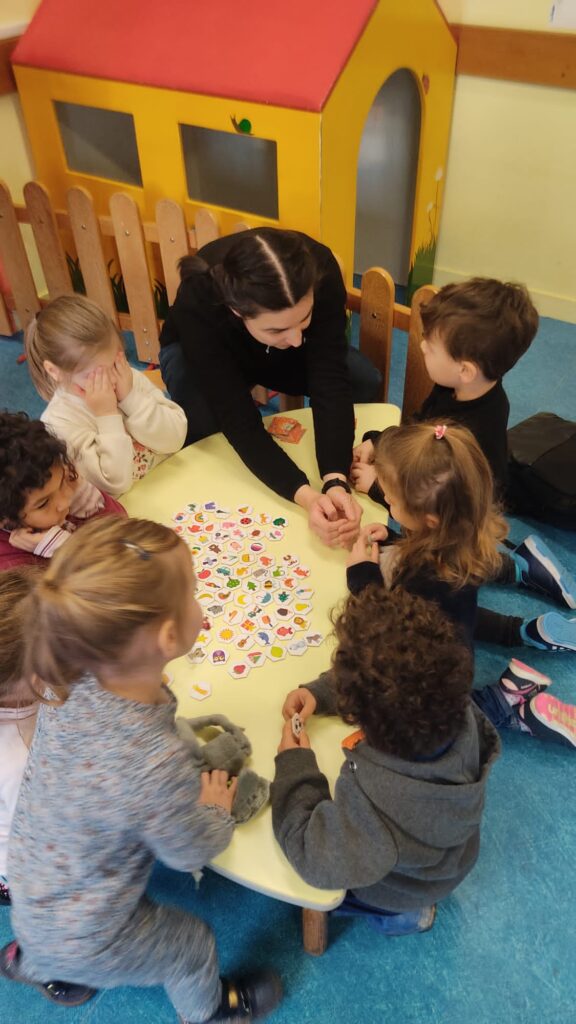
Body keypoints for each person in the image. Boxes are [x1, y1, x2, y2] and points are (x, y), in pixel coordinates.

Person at [1, 516, 282, 1023]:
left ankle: (36, 960)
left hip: (30, 887)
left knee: (57, 931)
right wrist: (216, 811)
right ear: (170, 635)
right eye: (195, 591)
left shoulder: (71, 685)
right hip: (88, 930)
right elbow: (187, 850)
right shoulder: (155, 762)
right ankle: (213, 1011)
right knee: (191, 944)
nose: (202, 601)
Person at [351, 278, 576, 650]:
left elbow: (420, 497)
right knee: (461, 575)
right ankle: (523, 569)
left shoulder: (469, 429)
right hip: (456, 513)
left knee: (447, 604)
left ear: (465, 368)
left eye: (430, 344)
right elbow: (421, 426)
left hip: (463, 518)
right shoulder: (456, 388)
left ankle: (523, 627)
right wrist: (381, 443)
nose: (420, 345)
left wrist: (378, 484)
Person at [271, 587, 501, 934]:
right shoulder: (453, 706)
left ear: (361, 718)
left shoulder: (377, 817)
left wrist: (295, 765)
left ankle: (401, 916)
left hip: (398, 886)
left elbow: (310, 853)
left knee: (328, 897)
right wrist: (321, 692)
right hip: (445, 857)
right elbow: (396, 676)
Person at [347, 422, 576, 747]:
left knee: (430, 726)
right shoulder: (455, 536)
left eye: (391, 498)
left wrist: (361, 576)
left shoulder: (421, 579)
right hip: (455, 630)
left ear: (430, 519)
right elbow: (451, 611)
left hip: (442, 678)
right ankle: (521, 644)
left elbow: (384, 623)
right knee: (460, 621)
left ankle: (508, 706)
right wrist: (395, 540)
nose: (385, 498)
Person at [159, 228, 374, 547]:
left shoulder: (321, 271)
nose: (298, 339)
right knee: (205, 427)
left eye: (305, 319)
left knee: (362, 377)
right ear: (236, 310)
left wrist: (335, 479)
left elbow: (329, 379)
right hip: (198, 352)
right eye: (279, 328)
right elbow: (236, 416)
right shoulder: (200, 296)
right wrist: (303, 495)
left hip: (266, 352)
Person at [25, 294, 187, 497]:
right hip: (128, 510)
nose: (110, 380)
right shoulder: (59, 422)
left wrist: (131, 399)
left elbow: (175, 438)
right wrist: (107, 416)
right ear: (54, 371)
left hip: (176, 483)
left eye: (114, 363)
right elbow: (114, 484)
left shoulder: (126, 378)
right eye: (93, 375)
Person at [0, 411, 125, 572]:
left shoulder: (68, 490)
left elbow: (123, 527)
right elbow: (103, 584)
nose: (65, 501)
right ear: (5, 520)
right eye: (43, 504)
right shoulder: (9, 564)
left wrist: (86, 498)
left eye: (63, 481)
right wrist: (60, 548)